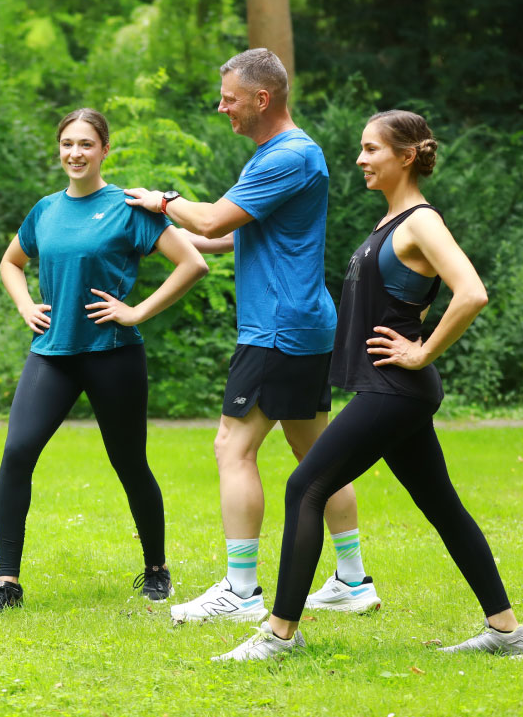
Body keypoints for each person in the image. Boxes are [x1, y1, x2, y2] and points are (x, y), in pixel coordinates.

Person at [216, 110, 523, 660]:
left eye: (371, 150)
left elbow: (471, 292)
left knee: (305, 487)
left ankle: (279, 635)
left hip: (395, 389)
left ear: (405, 156)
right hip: (393, 390)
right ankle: (507, 633)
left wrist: (423, 350)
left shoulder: (420, 222)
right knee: (442, 506)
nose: (360, 159)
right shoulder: (392, 221)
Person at [125, 48, 381, 623]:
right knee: (318, 454)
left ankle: (240, 591)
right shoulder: (281, 155)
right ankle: (352, 580)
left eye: (231, 98)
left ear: (262, 99)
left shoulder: (288, 156)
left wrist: (163, 201)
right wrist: (155, 232)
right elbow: (228, 236)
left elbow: (214, 219)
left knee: (232, 446)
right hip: (301, 325)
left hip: (276, 329)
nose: (222, 108)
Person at [0, 108, 209, 612]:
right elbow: (11, 261)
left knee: (129, 463)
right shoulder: (45, 210)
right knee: (17, 453)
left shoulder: (129, 208)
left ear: (105, 149)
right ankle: (8, 582)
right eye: (67, 144)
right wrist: (23, 304)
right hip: (52, 354)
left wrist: (137, 311)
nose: (75, 153)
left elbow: (193, 262)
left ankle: (156, 569)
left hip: (113, 354)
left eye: (85, 144)